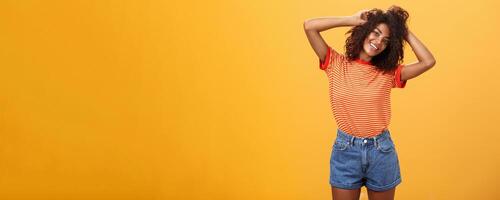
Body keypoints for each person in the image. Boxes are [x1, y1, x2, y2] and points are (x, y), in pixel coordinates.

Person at [303, 6, 435, 200]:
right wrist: (352, 19)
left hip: (380, 151)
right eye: (375, 33)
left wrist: (404, 32)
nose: (378, 42)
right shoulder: (335, 63)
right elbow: (309, 26)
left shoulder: (389, 73)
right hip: (345, 150)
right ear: (365, 31)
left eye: (385, 40)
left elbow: (428, 61)